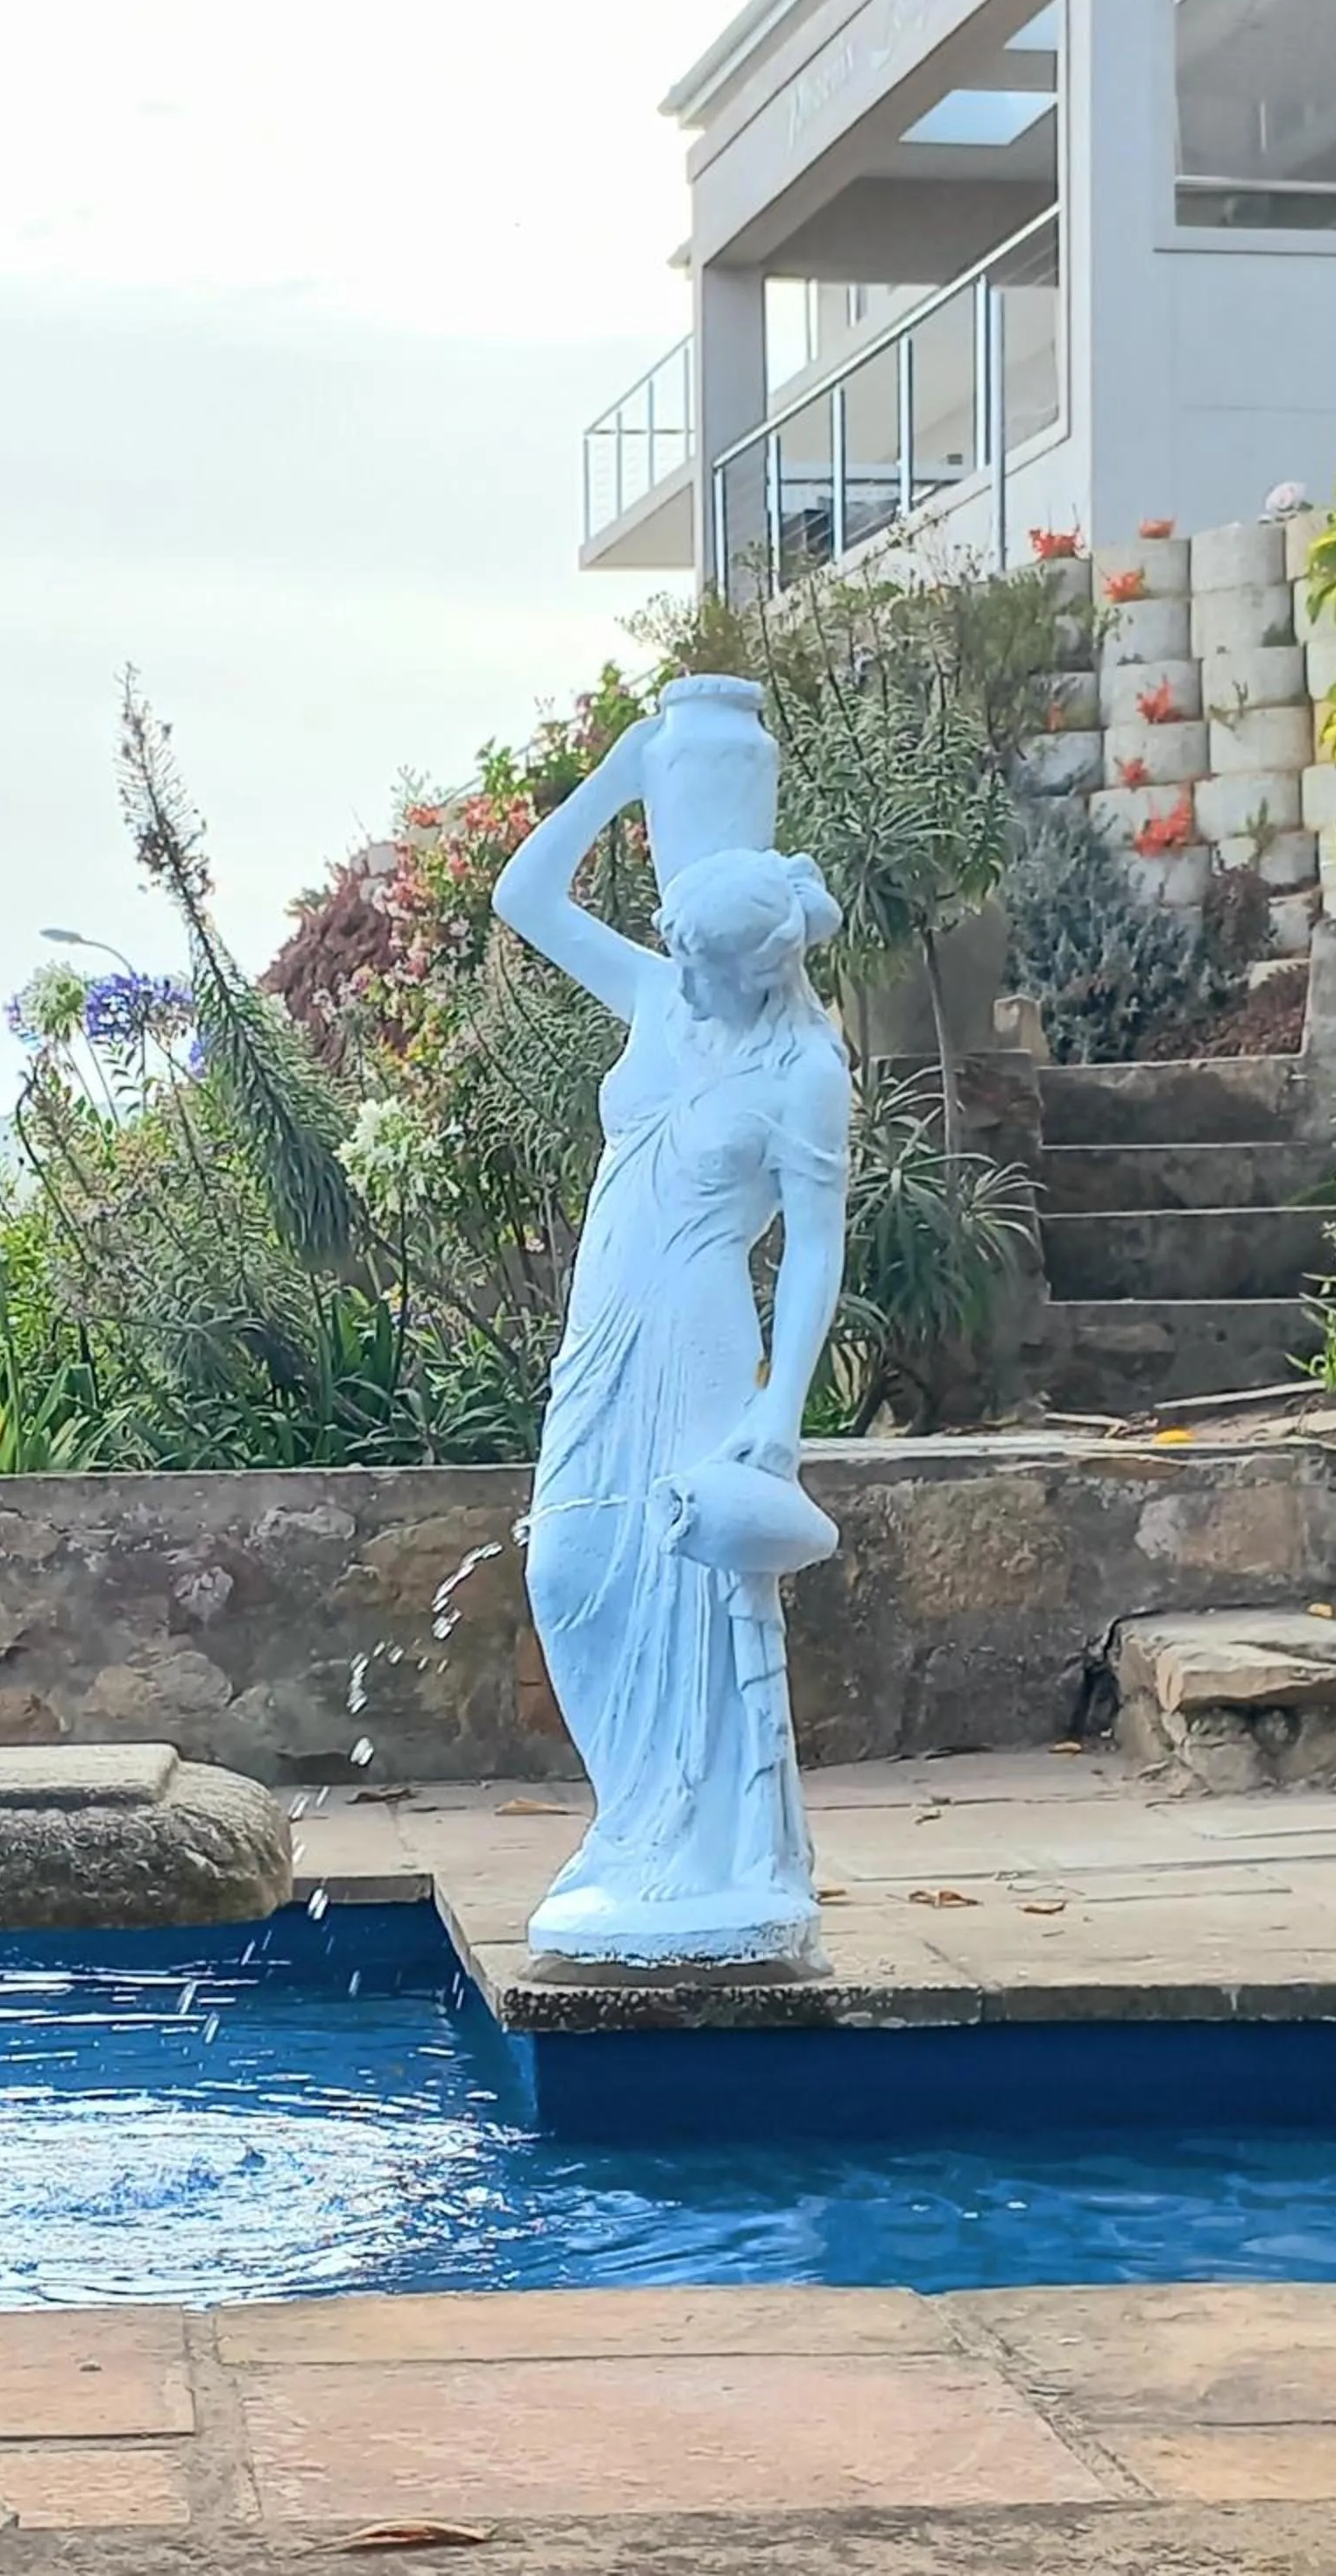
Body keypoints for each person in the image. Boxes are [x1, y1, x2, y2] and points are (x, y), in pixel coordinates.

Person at [491, 720, 851, 1969]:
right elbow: (522, 894)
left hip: (701, 1334)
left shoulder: (806, 1070)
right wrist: (626, 768)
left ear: (763, 969)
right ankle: (635, 1823)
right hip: (605, 1324)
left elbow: (812, 1246)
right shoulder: (658, 991)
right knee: (567, 1569)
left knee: (694, 1588)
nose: (683, 982)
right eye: (683, 958)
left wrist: (782, 1411)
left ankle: (702, 1848)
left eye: (708, 970)